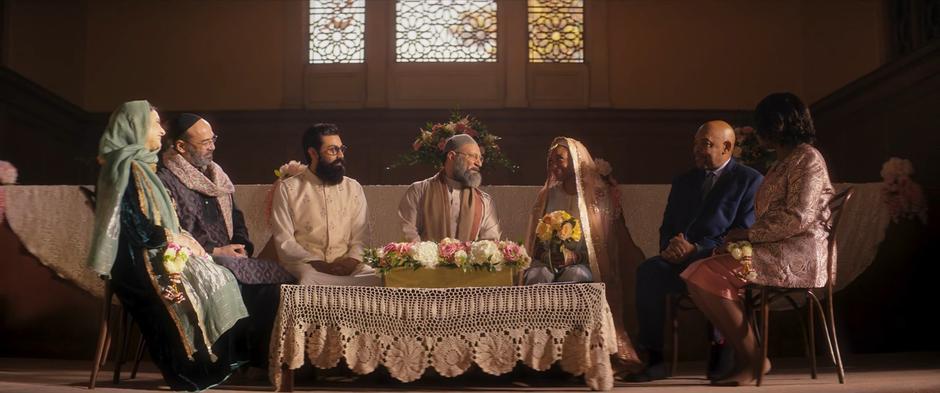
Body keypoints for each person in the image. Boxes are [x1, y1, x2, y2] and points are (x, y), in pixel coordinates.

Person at [87, 101, 249, 391]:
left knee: (218, 275)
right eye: (155, 124)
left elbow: (161, 222)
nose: (162, 130)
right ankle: (188, 372)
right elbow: (134, 227)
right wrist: (174, 240)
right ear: (136, 129)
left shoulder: (145, 166)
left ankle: (214, 362)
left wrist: (180, 241)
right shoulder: (122, 167)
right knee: (179, 292)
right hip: (134, 263)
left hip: (153, 251)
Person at [682, 92, 834, 386]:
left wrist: (749, 234)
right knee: (694, 274)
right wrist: (742, 239)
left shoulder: (807, 158)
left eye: (763, 123)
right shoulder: (782, 163)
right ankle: (748, 355)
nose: (760, 129)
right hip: (776, 247)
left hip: (800, 252)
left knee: (705, 274)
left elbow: (798, 217)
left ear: (777, 124)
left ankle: (754, 359)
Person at [627, 121, 763, 382]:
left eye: (706, 144)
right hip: (680, 259)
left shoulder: (749, 180)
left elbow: (743, 232)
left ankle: (721, 351)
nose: (697, 150)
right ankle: (653, 359)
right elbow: (667, 226)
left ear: (727, 147)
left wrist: (697, 249)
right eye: (696, 144)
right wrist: (671, 247)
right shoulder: (684, 181)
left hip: (721, 260)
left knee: (711, 273)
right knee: (648, 271)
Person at [157, 113, 293, 370]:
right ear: (181, 147)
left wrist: (242, 245)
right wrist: (216, 250)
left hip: (231, 255)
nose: (213, 146)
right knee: (245, 276)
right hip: (197, 257)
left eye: (213, 139)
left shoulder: (217, 176)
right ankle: (243, 362)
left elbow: (236, 219)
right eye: (205, 142)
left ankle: (268, 361)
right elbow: (173, 230)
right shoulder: (167, 180)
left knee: (282, 277)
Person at [523, 137, 645, 374]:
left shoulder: (597, 195)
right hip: (548, 260)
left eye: (559, 158)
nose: (553, 163)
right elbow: (535, 238)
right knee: (536, 276)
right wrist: (547, 255)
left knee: (575, 277)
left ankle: (571, 358)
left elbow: (603, 245)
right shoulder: (546, 195)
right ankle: (538, 359)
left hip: (582, 263)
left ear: (576, 161)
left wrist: (573, 257)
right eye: (550, 159)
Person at [270, 123, 380, 286]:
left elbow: (362, 236)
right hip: (308, 267)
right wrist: (319, 264)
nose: (340, 155)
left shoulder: (353, 188)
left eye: (341, 149)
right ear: (313, 153)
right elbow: (284, 241)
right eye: (333, 150)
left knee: (377, 278)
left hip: (349, 268)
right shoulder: (289, 189)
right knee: (307, 280)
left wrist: (350, 262)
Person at [398, 134, 501, 242]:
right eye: (473, 156)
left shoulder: (484, 201)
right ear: (452, 156)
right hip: (426, 259)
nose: (479, 163)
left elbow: (490, 243)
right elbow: (409, 234)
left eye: (480, 158)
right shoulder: (419, 191)